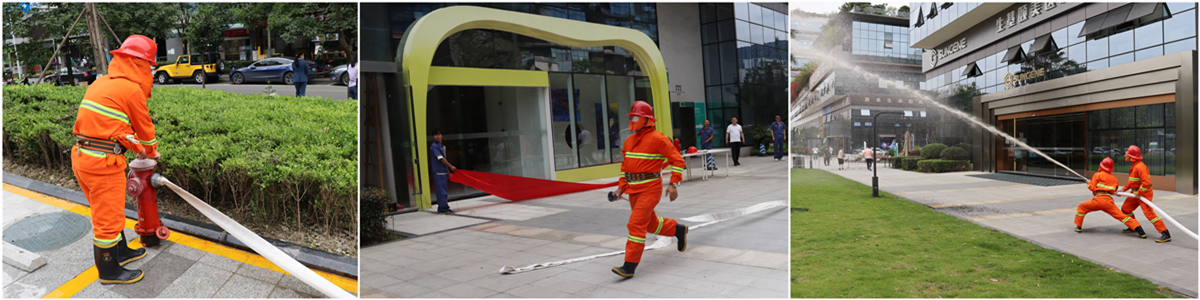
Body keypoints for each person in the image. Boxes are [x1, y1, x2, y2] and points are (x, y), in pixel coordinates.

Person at [71, 35, 160, 285]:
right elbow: (145, 129)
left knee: (107, 211)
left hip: (83, 157)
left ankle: (120, 251)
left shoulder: (100, 84)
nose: (150, 72)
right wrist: (151, 152)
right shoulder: (130, 89)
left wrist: (135, 147)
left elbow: (111, 128)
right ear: (139, 64)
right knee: (107, 219)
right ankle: (109, 273)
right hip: (103, 163)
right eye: (149, 66)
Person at [611, 101, 687, 278]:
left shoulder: (658, 139)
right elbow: (625, 168)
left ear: (646, 119)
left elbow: (678, 161)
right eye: (631, 117)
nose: (632, 119)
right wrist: (620, 188)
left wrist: (673, 183)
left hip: (650, 190)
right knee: (650, 224)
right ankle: (677, 229)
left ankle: (629, 266)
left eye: (636, 116)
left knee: (636, 224)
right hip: (633, 191)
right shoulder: (629, 141)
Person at [1076, 157, 1147, 238]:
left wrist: (1089, 183)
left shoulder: (1097, 175)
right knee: (1122, 216)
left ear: (1101, 166)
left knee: (1082, 207)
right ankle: (1139, 229)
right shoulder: (1114, 179)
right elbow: (1113, 191)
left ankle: (1078, 227)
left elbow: (1092, 188)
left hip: (1097, 200)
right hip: (1108, 202)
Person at [1119, 145, 1170, 242]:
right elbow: (1132, 181)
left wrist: (1139, 193)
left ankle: (1165, 233)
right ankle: (1132, 226)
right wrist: (1123, 189)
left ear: (1131, 157)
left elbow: (1146, 183)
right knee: (1126, 209)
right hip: (1135, 193)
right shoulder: (1134, 166)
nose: (1126, 157)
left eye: (1128, 155)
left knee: (1149, 214)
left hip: (1144, 194)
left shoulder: (1140, 167)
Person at [431, 129, 458, 214]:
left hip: (443, 171)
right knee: (441, 191)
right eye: (435, 135)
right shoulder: (435, 146)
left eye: (439, 134)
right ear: (433, 136)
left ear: (442, 135)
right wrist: (450, 166)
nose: (437, 136)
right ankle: (444, 208)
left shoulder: (441, 146)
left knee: (443, 191)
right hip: (439, 172)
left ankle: (443, 207)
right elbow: (441, 158)